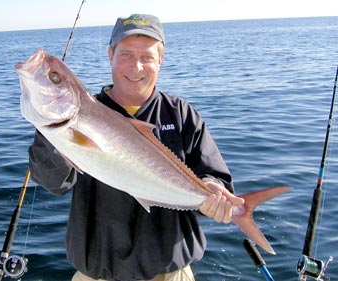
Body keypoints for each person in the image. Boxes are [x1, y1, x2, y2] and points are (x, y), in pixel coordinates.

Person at [28, 14, 244, 281]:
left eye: (147, 57)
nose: (136, 67)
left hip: (171, 274)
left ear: (160, 60)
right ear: (110, 55)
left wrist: (212, 193)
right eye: (127, 55)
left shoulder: (181, 115)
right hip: (97, 274)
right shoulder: (84, 114)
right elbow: (53, 182)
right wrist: (51, 135)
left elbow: (216, 179)